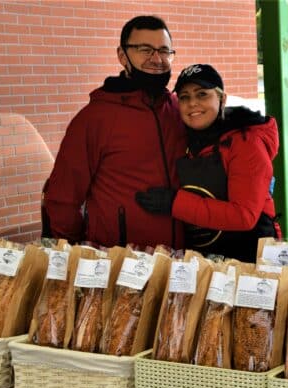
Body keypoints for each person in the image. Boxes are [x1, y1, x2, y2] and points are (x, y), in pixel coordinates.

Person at [43, 15, 186, 249]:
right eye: (145, 49)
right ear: (122, 56)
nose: (157, 59)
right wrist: (79, 254)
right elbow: (62, 199)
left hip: (180, 262)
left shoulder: (178, 110)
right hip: (118, 265)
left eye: (164, 51)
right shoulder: (94, 119)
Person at [135, 64, 279, 262]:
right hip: (203, 262)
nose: (192, 103)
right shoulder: (186, 143)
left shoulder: (246, 142)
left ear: (222, 98)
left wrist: (174, 202)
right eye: (184, 97)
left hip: (249, 260)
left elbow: (244, 215)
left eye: (202, 94)